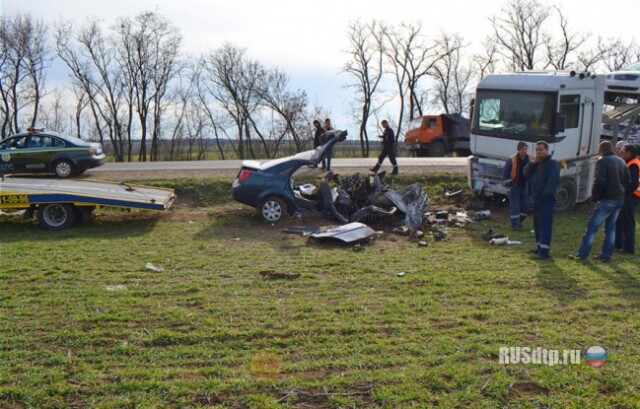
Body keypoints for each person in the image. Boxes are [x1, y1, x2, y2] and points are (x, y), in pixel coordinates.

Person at [570, 141, 630, 263]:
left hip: (607, 199)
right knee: (610, 229)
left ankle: (582, 254)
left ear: (601, 150)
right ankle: (606, 256)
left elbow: (599, 180)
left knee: (592, 228)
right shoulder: (621, 161)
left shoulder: (603, 161)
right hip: (619, 199)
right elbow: (627, 180)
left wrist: (596, 196)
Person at [523, 141, 560, 259]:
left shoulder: (553, 164)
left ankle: (544, 252)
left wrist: (545, 194)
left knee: (545, 224)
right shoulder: (538, 164)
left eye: (541, 149)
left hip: (546, 199)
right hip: (537, 198)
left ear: (546, 150)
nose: (538, 152)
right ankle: (539, 248)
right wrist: (533, 163)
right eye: (536, 150)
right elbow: (525, 173)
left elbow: (552, 182)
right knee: (537, 224)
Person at [615, 144, 640, 254]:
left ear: (629, 153)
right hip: (630, 196)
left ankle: (628, 248)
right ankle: (619, 244)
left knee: (627, 222)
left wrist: (624, 193)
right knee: (621, 221)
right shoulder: (632, 162)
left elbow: (633, 183)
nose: (620, 153)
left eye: (623, 151)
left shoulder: (633, 164)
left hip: (631, 197)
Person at [502, 141, 531, 230]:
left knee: (525, 206)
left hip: (525, 187)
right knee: (515, 207)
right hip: (515, 186)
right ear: (518, 150)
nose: (524, 151)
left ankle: (519, 222)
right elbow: (506, 173)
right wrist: (509, 184)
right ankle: (515, 225)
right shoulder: (512, 159)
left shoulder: (530, 159)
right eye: (522, 149)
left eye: (526, 149)